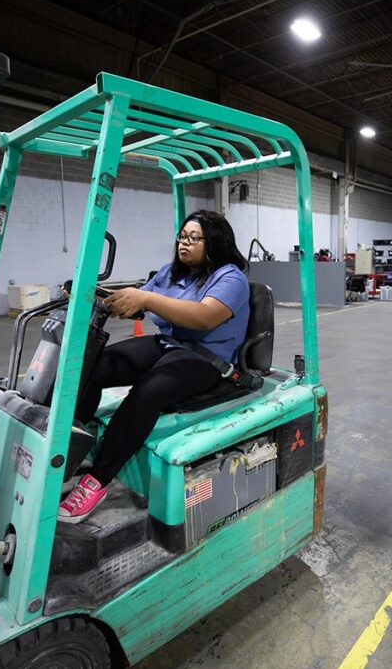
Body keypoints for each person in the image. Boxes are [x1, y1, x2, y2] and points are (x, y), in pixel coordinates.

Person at [58, 210, 250, 523]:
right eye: (182, 236)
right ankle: (67, 451)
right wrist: (92, 294)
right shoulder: (171, 273)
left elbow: (204, 317)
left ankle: (98, 480)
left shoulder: (231, 278)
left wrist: (145, 300)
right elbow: (139, 297)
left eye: (194, 238)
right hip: (168, 344)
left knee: (148, 390)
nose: (184, 243)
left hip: (206, 358)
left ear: (214, 242)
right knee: (96, 365)